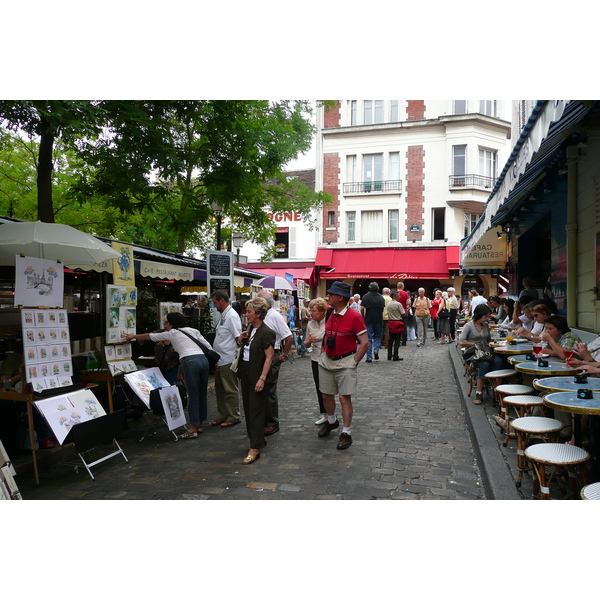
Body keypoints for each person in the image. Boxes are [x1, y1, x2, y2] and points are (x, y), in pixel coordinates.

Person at [125, 311, 212, 439]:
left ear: (171, 323)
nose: (165, 325)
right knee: (201, 394)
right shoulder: (193, 331)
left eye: (167, 322)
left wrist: (133, 336)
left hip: (190, 362)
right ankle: (199, 424)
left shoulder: (173, 333)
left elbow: (150, 336)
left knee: (193, 395)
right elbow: (208, 346)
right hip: (204, 361)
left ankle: (193, 428)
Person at [318, 281, 368, 450]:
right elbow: (327, 334)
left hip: (346, 361)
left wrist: (353, 362)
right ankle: (331, 421)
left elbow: (364, 343)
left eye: (331, 294)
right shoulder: (330, 312)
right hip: (327, 361)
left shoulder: (355, 316)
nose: (328, 296)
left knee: (344, 398)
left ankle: (346, 432)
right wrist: (324, 351)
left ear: (340, 297)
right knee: (325, 394)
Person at [235, 297, 275, 464]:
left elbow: (269, 357)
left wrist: (262, 378)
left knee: (256, 412)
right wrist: (241, 339)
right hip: (246, 374)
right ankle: (258, 439)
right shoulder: (251, 329)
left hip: (257, 376)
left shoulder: (266, 332)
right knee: (249, 409)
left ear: (258, 314)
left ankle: (254, 447)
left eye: (250, 312)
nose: (247, 314)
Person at [257, 290, 293, 435]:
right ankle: (264, 419)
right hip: (261, 356)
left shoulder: (274, 316)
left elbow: (288, 336)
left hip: (273, 355)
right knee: (263, 388)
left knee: (270, 389)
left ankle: (272, 422)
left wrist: (284, 354)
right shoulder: (264, 315)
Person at [459, 304, 504, 405]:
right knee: (485, 364)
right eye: (486, 316)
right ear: (479, 315)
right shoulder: (469, 326)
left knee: (499, 361)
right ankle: (479, 393)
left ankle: (497, 388)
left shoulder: (486, 325)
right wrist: (475, 344)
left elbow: (488, 340)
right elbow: (461, 342)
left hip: (485, 353)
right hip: (473, 354)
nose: (488, 318)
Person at [210, 290, 242, 427]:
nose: (215, 305)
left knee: (230, 389)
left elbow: (238, 338)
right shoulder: (224, 315)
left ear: (222, 301)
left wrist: (237, 358)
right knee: (220, 389)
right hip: (220, 358)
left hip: (228, 358)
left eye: (215, 302)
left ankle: (234, 415)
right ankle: (223, 414)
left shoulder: (231, 316)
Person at [304, 297, 328, 424]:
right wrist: (309, 341)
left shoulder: (328, 322)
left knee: (328, 387)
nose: (311, 314)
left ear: (322, 312)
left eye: (314, 311)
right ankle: (325, 414)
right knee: (319, 386)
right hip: (315, 358)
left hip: (327, 358)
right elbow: (306, 344)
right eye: (310, 311)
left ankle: (331, 412)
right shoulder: (310, 324)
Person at [361, 282, 385, 362]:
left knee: (369, 338)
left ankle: (369, 357)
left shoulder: (366, 297)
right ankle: (376, 349)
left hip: (369, 318)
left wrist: (362, 316)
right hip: (378, 318)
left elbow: (362, 308)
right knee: (377, 336)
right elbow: (382, 309)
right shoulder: (381, 298)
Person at [386, 290, 405, 360]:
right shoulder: (398, 304)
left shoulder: (389, 304)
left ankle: (389, 355)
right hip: (398, 322)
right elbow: (403, 313)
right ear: (394, 296)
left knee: (390, 340)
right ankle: (395, 355)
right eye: (398, 296)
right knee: (397, 340)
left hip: (391, 322)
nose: (399, 297)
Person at [396, 282, 411, 346]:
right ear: (402, 287)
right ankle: (404, 341)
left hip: (396, 312)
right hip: (404, 311)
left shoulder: (395, 293)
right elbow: (408, 302)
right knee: (404, 326)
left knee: (397, 326)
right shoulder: (405, 293)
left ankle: (397, 340)